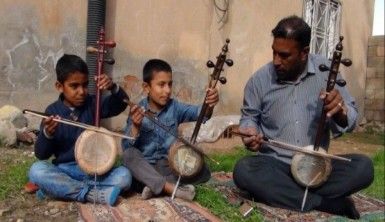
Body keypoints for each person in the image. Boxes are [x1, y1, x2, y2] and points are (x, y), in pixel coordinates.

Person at [233, 15, 373, 219]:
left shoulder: (327, 72)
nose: (276, 61)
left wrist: (340, 112)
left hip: (318, 168)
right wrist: (250, 132)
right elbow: (249, 118)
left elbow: (350, 119)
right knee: (244, 170)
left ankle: (289, 196)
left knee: (363, 167)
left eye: (284, 55)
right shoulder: (260, 80)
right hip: (276, 167)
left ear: (304, 53)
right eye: (274, 53)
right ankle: (326, 203)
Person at [28, 54, 132, 206]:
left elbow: (120, 105)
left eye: (85, 85)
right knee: (37, 170)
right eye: (74, 86)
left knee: (124, 176)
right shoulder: (53, 111)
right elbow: (41, 154)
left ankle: (59, 190)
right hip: (65, 169)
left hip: (95, 171)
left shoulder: (93, 104)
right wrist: (47, 134)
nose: (82, 91)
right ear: (59, 86)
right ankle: (90, 194)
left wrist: (113, 88)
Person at [122, 59, 219, 201]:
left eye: (170, 84)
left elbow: (202, 114)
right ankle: (173, 189)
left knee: (203, 170)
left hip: (169, 167)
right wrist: (135, 127)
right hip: (146, 166)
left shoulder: (175, 107)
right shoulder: (137, 110)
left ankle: (156, 187)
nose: (167, 90)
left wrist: (210, 104)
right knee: (128, 156)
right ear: (146, 87)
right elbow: (126, 147)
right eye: (161, 85)